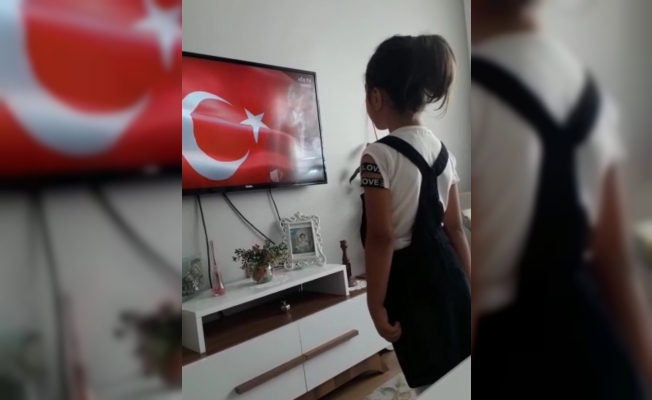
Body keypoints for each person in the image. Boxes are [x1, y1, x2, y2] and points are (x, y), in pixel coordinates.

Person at [471, 1, 652, 398]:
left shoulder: (477, 91)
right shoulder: (582, 84)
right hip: (593, 352)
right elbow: (615, 259)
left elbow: (479, 284)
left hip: (514, 358)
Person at [360, 34, 472, 395]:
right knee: (462, 370)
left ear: (376, 97)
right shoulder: (444, 152)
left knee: (429, 382)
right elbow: (455, 227)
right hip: (451, 275)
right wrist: (471, 283)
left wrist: (375, 303)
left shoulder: (376, 156)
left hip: (411, 286)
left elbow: (381, 236)